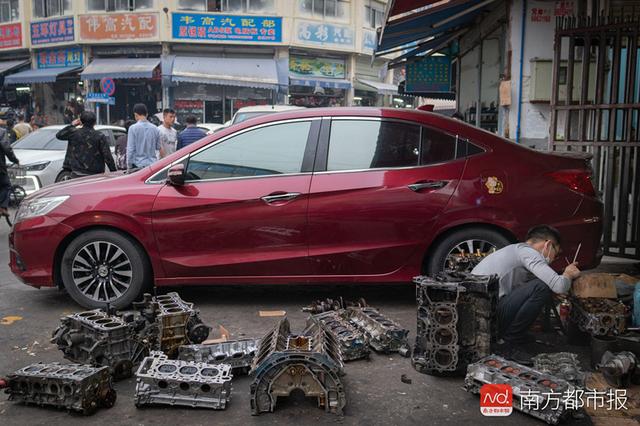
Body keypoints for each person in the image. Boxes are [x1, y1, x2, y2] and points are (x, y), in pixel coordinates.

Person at [472, 225, 581, 365]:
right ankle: (508, 344)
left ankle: (513, 336)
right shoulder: (528, 253)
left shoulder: (516, 251)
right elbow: (559, 285)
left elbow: (522, 290)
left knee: (541, 285)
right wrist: (568, 274)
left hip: (481, 314)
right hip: (485, 317)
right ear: (548, 244)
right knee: (541, 286)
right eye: (556, 253)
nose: (554, 259)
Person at [56, 111, 116, 178]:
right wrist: (114, 172)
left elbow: (59, 135)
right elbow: (107, 157)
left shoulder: (74, 133)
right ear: (95, 122)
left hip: (77, 173)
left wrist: (72, 125)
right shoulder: (99, 136)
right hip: (95, 175)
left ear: (81, 121)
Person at [126, 103, 160, 170]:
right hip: (153, 166)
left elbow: (130, 150)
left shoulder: (133, 128)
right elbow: (158, 147)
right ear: (146, 114)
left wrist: (129, 165)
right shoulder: (156, 129)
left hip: (138, 166)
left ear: (135, 115)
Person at [0, 124, 19, 217]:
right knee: (6, 185)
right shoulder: (1, 132)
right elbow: (7, 148)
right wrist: (14, 160)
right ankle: (2, 207)